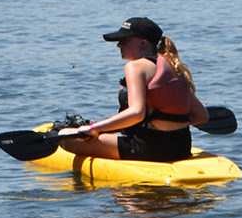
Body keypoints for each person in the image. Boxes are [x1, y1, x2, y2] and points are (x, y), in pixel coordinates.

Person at [57, 17, 211, 163]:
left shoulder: (136, 67)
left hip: (148, 149)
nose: (118, 45)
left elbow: (137, 113)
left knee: (65, 136)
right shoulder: (173, 67)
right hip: (181, 147)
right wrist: (164, 123)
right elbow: (202, 116)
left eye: (124, 40)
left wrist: (93, 128)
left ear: (143, 43)